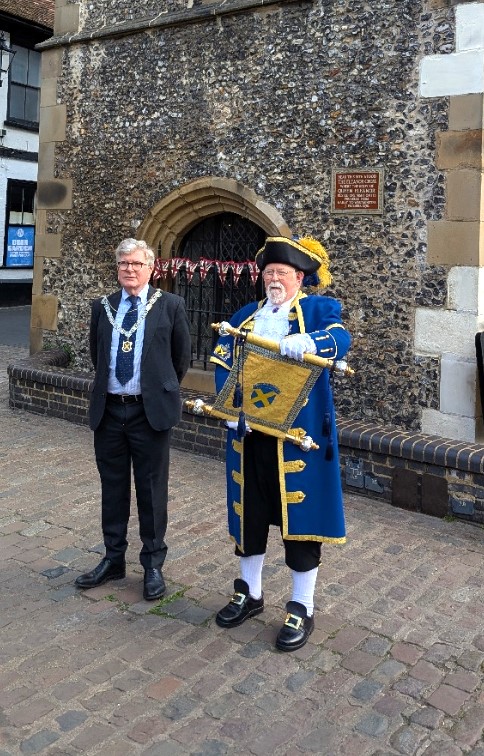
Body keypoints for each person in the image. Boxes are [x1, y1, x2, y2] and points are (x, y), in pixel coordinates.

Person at [210, 235, 351, 651]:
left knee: (301, 523)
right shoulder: (244, 316)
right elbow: (221, 362)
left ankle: (301, 605)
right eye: (269, 272)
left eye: (282, 273)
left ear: (300, 278)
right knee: (249, 514)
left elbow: (340, 338)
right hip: (249, 435)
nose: (274, 279)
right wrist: (232, 408)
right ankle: (249, 593)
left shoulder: (318, 310)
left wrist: (311, 343)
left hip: (299, 439)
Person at [75, 238, 191, 600]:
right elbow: (98, 354)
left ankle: (153, 565)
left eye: (137, 264)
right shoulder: (103, 307)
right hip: (110, 410)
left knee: (152, 490)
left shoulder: (170, 305)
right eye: (124, 263)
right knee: (113, 488)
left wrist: (156, 390)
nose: (130, 269)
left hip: (148, 412)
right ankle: (113, 559)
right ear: (118, 267)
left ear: (150, 268)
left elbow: (180, 358)